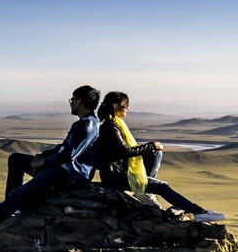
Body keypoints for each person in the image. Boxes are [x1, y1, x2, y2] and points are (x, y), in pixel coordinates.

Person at [0, 85, 101, 242]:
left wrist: (44, 161)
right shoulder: (83, 123)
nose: (70, 102)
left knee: (21, 193)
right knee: (16, 159)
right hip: (63, 168)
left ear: (80, 101)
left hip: (70, 174)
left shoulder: (88, 125)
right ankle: (14, 205)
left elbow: (69, 155)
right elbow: (63, 148)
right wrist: (43, 156)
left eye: (73, 99)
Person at [94, 91, 224, 223]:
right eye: (125, 106)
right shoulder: (111, 126)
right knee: (162, 186)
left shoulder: (114, 124)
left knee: (156, 152)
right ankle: (198, 213)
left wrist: (152, 148)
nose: (127, 109)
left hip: (118, 172)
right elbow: (125, 151)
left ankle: (144, 191)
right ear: (116, 106)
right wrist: (151, 145)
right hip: (115, 176)